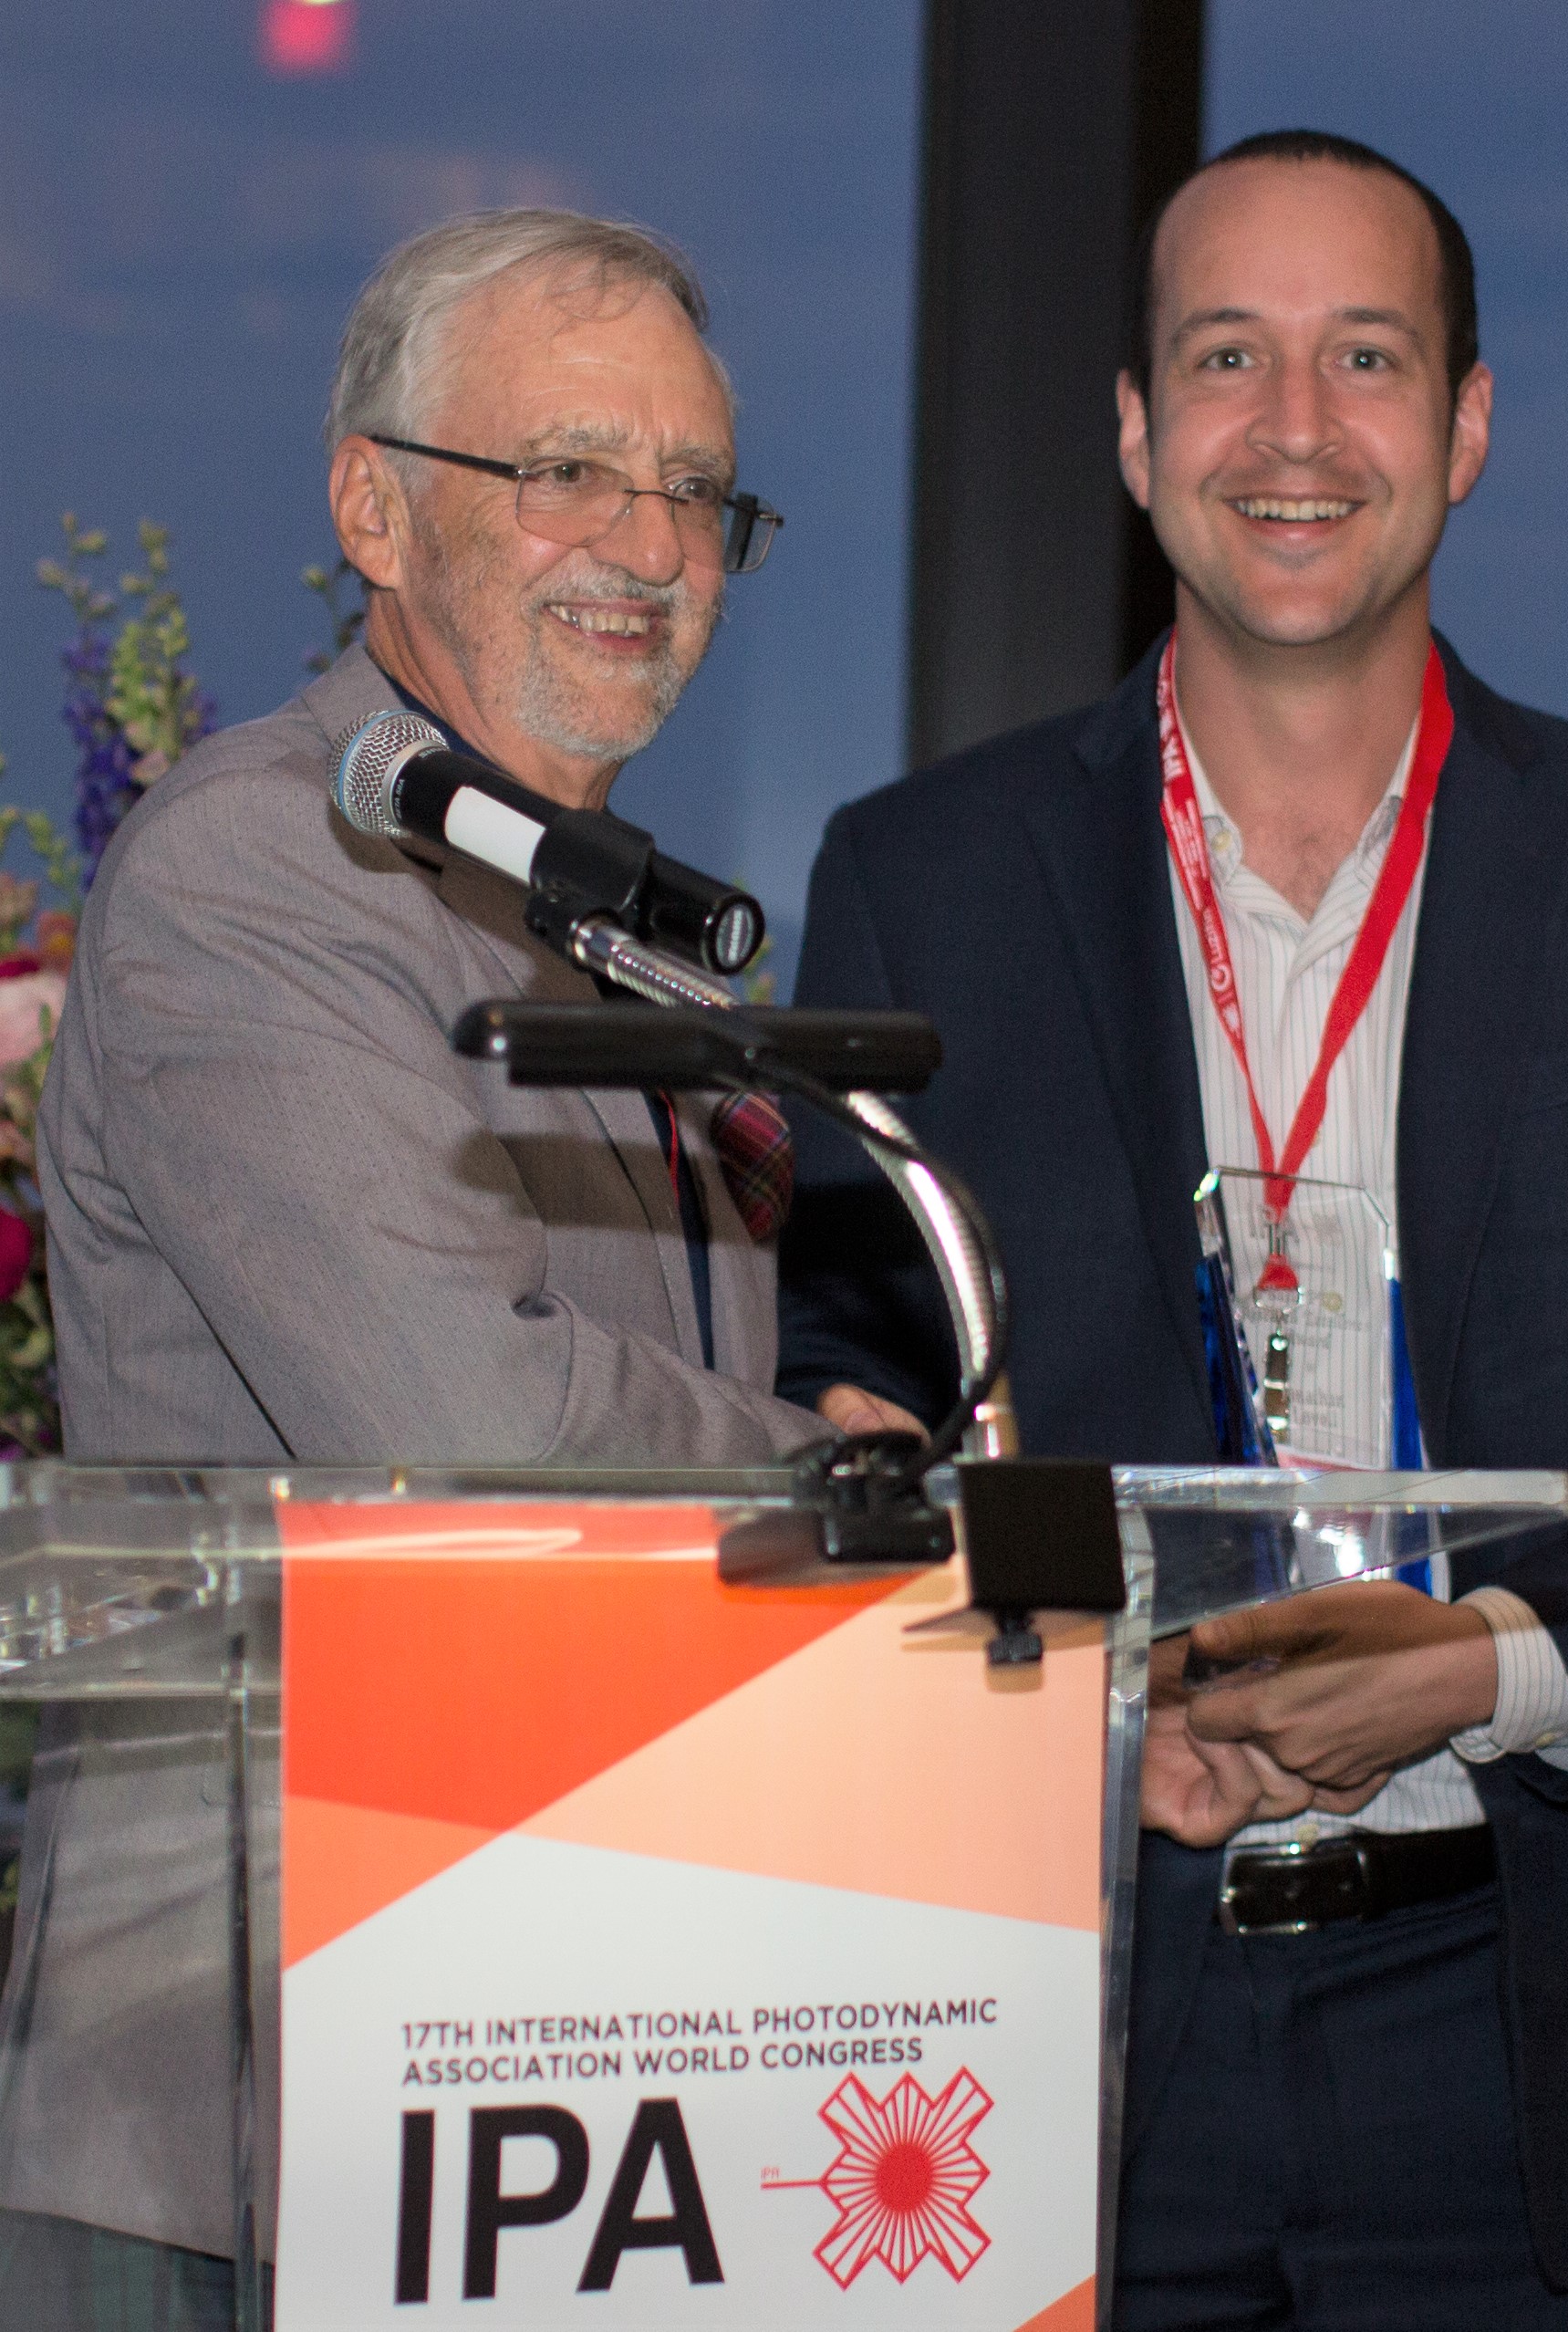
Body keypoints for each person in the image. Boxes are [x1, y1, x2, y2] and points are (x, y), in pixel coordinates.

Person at [776, 131, 1568, 2327]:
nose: (1295, 429)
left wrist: (1474, 1668)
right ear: (1131, 430)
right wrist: (1085, 1698)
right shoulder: (928, 874)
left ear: (1467, 427)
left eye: (1364, 357)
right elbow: (861, 1414)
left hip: (1536, 2021)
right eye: (1227, 359)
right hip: (1076, 2005)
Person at [11, 208, 913, 2315]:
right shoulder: (261, 873)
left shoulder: (606, 922)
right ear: (375, 506)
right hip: (251, 2118)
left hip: (564, 2069)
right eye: (573, 469)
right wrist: (832, 1475)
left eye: (697, 490)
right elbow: (458, 1422)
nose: (650, 541)